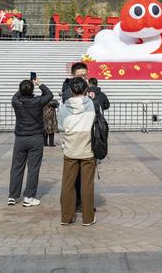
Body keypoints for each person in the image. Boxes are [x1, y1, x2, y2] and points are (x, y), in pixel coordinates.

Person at [58, 77, 97, 226]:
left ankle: (66, 217)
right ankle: (88, 218)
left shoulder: (64, 107)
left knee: (68, 184)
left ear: (71, 90)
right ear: (85, 89)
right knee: (87, 185)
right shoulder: (91, 104)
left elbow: (61, 126)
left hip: (70, 149)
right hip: (87, 149)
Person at [8, 79, 53, 206]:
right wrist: (39, 84)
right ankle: (29, 196)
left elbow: (16, 95)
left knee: (16, 167)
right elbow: (49, 95)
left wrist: (23, 88)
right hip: (35, 138)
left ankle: (13, 196)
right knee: (33, 168)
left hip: (20, 138)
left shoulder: (16, 101)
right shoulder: (38, 101)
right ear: (32, 90)